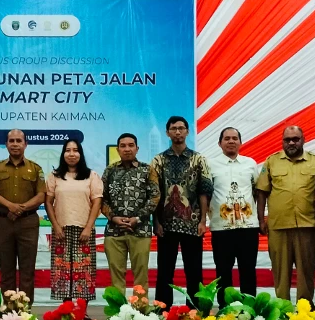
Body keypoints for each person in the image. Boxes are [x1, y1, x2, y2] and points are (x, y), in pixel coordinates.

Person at [256, 126, 315, 304]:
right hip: (279, 226)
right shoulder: (272, 162)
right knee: (280, 272)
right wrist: (261, 220)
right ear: (282, 141)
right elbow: (262, 192)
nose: (292, 143)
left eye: (296, 139)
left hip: (308, 226)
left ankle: (305, 312)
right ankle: (283, 310)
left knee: (306, 271)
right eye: (288, 140)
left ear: (304, 139)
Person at [152, 116, 213, 309]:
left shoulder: (198, 159)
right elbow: (154, 193)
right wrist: (156, 221)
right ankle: (162, 310)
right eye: (173, 129)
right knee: (165, 271)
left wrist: (203, 220)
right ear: (167, 132)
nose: (177, 132)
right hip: (166, 225)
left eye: (181, 128)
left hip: (192, 223)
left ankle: (195, 311)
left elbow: (204, 191)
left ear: (187, 131)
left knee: (194, 270)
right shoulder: (158, 160)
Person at [0, 129, 45, 304]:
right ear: (6, 144)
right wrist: (10, 206)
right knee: (7, 270)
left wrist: (22, 207)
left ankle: (25, 313)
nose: (15, 144)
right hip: (3, 222)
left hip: (28, 222)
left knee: (27, 271)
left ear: (25, 144)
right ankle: (8, 313)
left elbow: (42, 195)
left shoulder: (35, 168)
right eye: (11, 140)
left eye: (19, 140)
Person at [101, 133, 159, 296]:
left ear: (137, 148)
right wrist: (113, 217)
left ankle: (140, 317)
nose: (127, 149)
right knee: (116, 278)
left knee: (141, 277)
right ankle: (117, 316)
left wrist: (138, 218)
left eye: (131, 145)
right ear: (118, 149)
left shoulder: (147, 170)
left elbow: (155, 197)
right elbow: (101, 199)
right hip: (114, 231)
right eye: (123, 146)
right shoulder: (110, 171)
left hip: (140, 230)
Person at [207, 127, 260, 307]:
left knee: (248, 270)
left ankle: (249, 311)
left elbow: (257, 191)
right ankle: (225, 310)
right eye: (227, 138)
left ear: (240, 142)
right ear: (220, 143)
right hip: (222, 228)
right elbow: (205, 194)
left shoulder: (250, 164)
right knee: (223, 272)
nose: (231, 141)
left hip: (248, 228)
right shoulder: (210, 165)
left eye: (235, 138)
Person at [45, 139, 103, 302]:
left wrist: (88, 228)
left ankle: (82, 313)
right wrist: (55, 226)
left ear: (81, 154)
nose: (71, 154)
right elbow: (48, 202)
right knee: (63, 273)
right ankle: (66, 312)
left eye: (75, 150)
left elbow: (97, 202)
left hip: (84, 230)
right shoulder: (54, 176)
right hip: (61, 230)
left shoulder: (91, 176)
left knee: (84, 272)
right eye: (68, 150)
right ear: (63, 154)